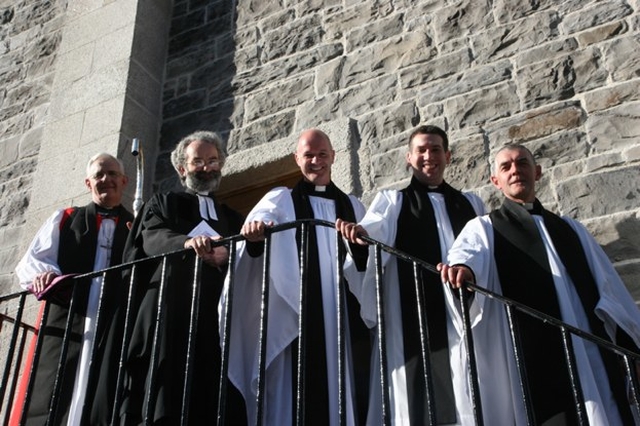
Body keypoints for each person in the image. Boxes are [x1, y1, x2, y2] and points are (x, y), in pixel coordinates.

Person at [439, 144, 640, 425]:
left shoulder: (572, 230)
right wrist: (464, 272)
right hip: (532, 360)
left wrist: (631, 345)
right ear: (495, 181)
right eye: (505, 167)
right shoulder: (483, 228)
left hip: (590, 353)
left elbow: (610, 289)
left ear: (538, 172)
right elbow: (466, 257)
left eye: (522, 163)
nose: (515, 170)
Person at [336, 124, 499, 425]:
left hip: (467, 316)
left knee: (471, 390)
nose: (429, 156)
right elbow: (373, 237)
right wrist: (359, 239)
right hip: (412, 318)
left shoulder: (472, 204)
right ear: (408, 158)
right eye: (421, 150)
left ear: (448, 156)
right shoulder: (393, 202)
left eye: (435, 149)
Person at [223, 128, 370, 425]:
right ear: (296, 159)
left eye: (322, 155)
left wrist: (360, 246)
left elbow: (369, 264)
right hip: (298, 314)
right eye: (308, 155)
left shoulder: (354, 206)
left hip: (344, 312)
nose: (316, 161)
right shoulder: (280, 199)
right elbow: (249, 244)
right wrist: (255, 238)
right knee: (296, 394)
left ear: (333, 156)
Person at [119, 130, 247, 425]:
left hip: (219, 315)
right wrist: (187, 244)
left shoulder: (233, 217)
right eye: (198, 161)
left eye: (213, 161)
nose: (206, 168)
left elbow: (248, 254)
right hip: (172, 309)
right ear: (181, 168)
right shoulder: (164, 203)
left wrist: (227, 256)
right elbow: (152, 237)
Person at [14, 153, 133, 425]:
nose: (106, 179)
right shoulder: (66, 218)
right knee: (53, 391)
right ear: (87, 183)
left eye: (112, 174)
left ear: (124, 181)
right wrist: (45, 275)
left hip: (114, 322)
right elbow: (32, 262)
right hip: (68, 318)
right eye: (99, 175)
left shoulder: (135, 225)